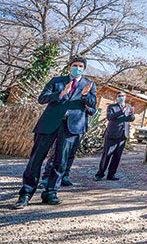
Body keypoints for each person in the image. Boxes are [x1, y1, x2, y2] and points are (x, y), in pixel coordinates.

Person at [12, 57, 97, 209]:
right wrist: (61, 93)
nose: (77, 68)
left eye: (80, 66)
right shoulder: (57, 81)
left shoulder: (89, 85)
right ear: (69, 67)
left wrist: (85, 96)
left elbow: (92, 107)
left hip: (71, 128)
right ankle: (25, 194)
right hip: (49, 124)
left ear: (84, 69)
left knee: (61, 162)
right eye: (75, 65)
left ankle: (50, 192)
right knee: (35, 160)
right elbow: (42, 98)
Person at [94, 91, 135, 181]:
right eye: (119, 96)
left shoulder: (128, 107)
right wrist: (121, 111)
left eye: (122, 96)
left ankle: (111, 174)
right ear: (117, 97)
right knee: (107, 155)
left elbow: (131, 119)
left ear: (125, 97)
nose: (121, 97)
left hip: (123, 134)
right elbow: (110, 117)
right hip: (112, 134)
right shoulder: (112, 107)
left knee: (117, 156)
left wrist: (132, 113)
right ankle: (100, 174)